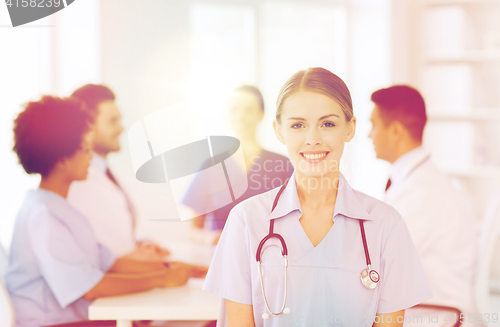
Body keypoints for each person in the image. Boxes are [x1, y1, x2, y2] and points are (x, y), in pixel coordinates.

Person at [203, 68, 432, 327]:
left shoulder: (386, 226)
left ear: (350, 128)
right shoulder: (246, 221)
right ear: (279, 131)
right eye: (298, 125)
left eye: (328, 124)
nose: (312, 139)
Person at [5, 96, 206, 327]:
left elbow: (110, 262)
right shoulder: (44, 216)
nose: (90, 155)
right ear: (61, 159)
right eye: (83, 148)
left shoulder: (60, 208)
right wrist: (163, 278)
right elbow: (89, 288)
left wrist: (176, 268)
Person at [368, 85, 477, 317]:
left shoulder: (422, 192)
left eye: (374, 125)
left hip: (435, 316)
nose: (370, 134)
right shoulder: (416, 181)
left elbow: (380, 263)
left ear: (396, 131)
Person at [68, 84, 168, 260]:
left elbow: (108, 235)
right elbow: (88, 255)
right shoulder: (77, 181)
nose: (121, 128)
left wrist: (139, 243)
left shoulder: (104, 173)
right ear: (87, 125)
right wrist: (133, 257)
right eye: (113, 121)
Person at [184, 85, 293, 239]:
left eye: (248, 110)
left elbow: (296, 222)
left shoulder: (282, 165)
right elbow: (193, 230)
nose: (241, 116)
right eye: (235, 109)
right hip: (223, 256)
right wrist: (212, 238)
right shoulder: (212, 166)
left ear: (261, 114)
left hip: (270, 255)